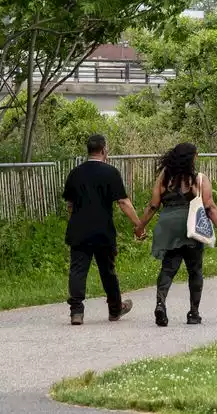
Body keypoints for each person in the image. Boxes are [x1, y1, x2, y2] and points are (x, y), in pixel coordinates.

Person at [135, 142, 217, 326]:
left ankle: (160, 303)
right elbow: (209, 207)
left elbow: (153, 205)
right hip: (191, 228)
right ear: (192, 158)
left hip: (169, 227)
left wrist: (140, 226)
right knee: (194, 270)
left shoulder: (164, 178)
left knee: (168, 268)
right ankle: (193, 313)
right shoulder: (199, 179)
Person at [62, 133, 141, 325]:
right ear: (104, 150)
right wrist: (138, 224)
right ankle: (115, 309)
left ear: (88, 150)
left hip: (79, 230)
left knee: (78, 270)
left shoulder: (75, 173)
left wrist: (74, 222)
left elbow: (70, 205)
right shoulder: (110, 172)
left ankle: (77, 312)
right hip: (103, 230)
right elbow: (123, 201)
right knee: (107, 270)